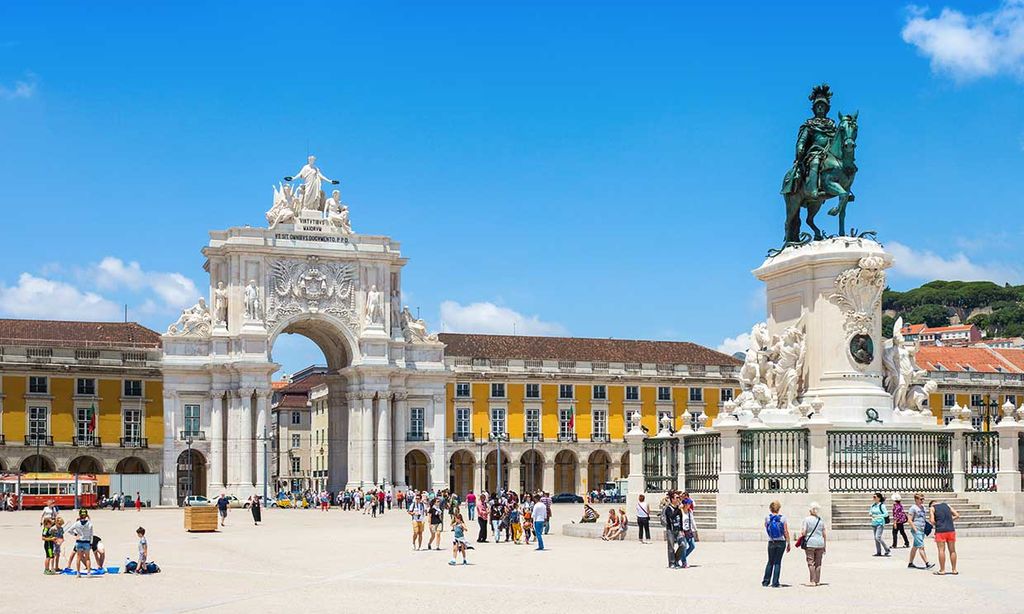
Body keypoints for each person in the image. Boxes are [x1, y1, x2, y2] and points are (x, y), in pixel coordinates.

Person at [762, 500, 790, 587]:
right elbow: (785, 531)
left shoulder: (767, 517)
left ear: (770, 508)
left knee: (770, 561)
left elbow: (766, 527)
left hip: (771, 541)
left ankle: (766, 582)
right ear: (779, 509)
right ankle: (775, 582)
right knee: (777, 562)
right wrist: (788, 542)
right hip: (781, 541)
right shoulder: (783, 518)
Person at [799, 502, 826, 587]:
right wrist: (825, 546)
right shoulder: (821, 520)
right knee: (818, 563)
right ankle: (817, 580)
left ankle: (812, 581)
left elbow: (804, 532)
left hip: (810, 543)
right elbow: (824, 533)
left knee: (811, 562)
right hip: (820, 543)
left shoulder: (806, 520)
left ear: (810, 510)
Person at [930, 499, 960, 575]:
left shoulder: (932, 508)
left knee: (941, 550)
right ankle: (954, 570)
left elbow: (932, 521)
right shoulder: (947, 505)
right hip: (950, 530)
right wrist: (949, 520)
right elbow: (957, 515)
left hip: (940, 531)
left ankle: (942, 570)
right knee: (952, 550)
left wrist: (939, 523)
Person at [907, 493, 935, 570]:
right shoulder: (913, 508)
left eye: (923, 499)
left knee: (915, 546)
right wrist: (914, 529)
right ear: (916, 499)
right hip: (916, 529)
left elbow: (924, 518)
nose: (922, 501)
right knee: (921, 547)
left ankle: (910, 563)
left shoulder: (923, 508)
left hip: (922, 529)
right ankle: (927, 563)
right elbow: (909, 520)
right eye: (921, 499)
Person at [66, 509, 94, 577]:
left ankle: (78, 573)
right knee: (87, 558)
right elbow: (91, 535)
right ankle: (88, 573)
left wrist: (76, 534)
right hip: (86, 542)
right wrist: (91, 543)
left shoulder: (77, 523)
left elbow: (69, 530)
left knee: (78, 557)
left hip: (79, 542)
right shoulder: (90, 524)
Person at [663, 491, 683, 568]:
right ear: (672, 499)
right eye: (677, 497)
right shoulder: (668, 508)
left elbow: (680, 519)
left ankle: (676, 559)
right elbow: (671, 517)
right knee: (671, 547)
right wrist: (678, 509)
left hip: (678, 530)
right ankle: (672, 563)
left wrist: (682, 529)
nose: (678, 499)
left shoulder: (678, 508)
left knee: (683, 545)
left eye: (679, 497)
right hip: (670, 530)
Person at [869, 492, 891, 557]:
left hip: (880, 523)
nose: (873, 498)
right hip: (874, 523)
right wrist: (871, 514)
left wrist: (878, 516)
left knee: (878, 537)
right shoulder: (873, 505)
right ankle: (878, 552)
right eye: (873, 497)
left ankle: (887, 550)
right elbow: (870, 512)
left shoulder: (882, 505)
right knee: (876, 538)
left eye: (874, 497)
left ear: (879, 498)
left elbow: (886, 514)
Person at [678, 500, 695, 566]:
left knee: (692, 546)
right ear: (685, 504)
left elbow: (692, 520)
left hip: (689, 530)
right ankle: (684, 562)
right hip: (682, 531)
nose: (690, 505)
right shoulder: (680, 511)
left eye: (690, 503)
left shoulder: (690, 511)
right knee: (684, 547)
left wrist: (695, 529)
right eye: (688, 503)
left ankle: (682, 558)